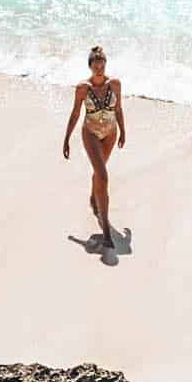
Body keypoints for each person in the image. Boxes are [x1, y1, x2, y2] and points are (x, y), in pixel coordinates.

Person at [62, 45, 126, 245]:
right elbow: (75, 113)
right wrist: (66, 138)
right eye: (96, 67)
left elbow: (119, 109)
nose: (99, 69)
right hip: (90, 133)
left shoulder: (115, 84)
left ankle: (93, 196)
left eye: (102, 66)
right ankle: (106, 230)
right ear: (90, 67)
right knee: (103, 175)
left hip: (110, 133)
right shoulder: (83, 88)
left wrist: (123, 131)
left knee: (100, 173)